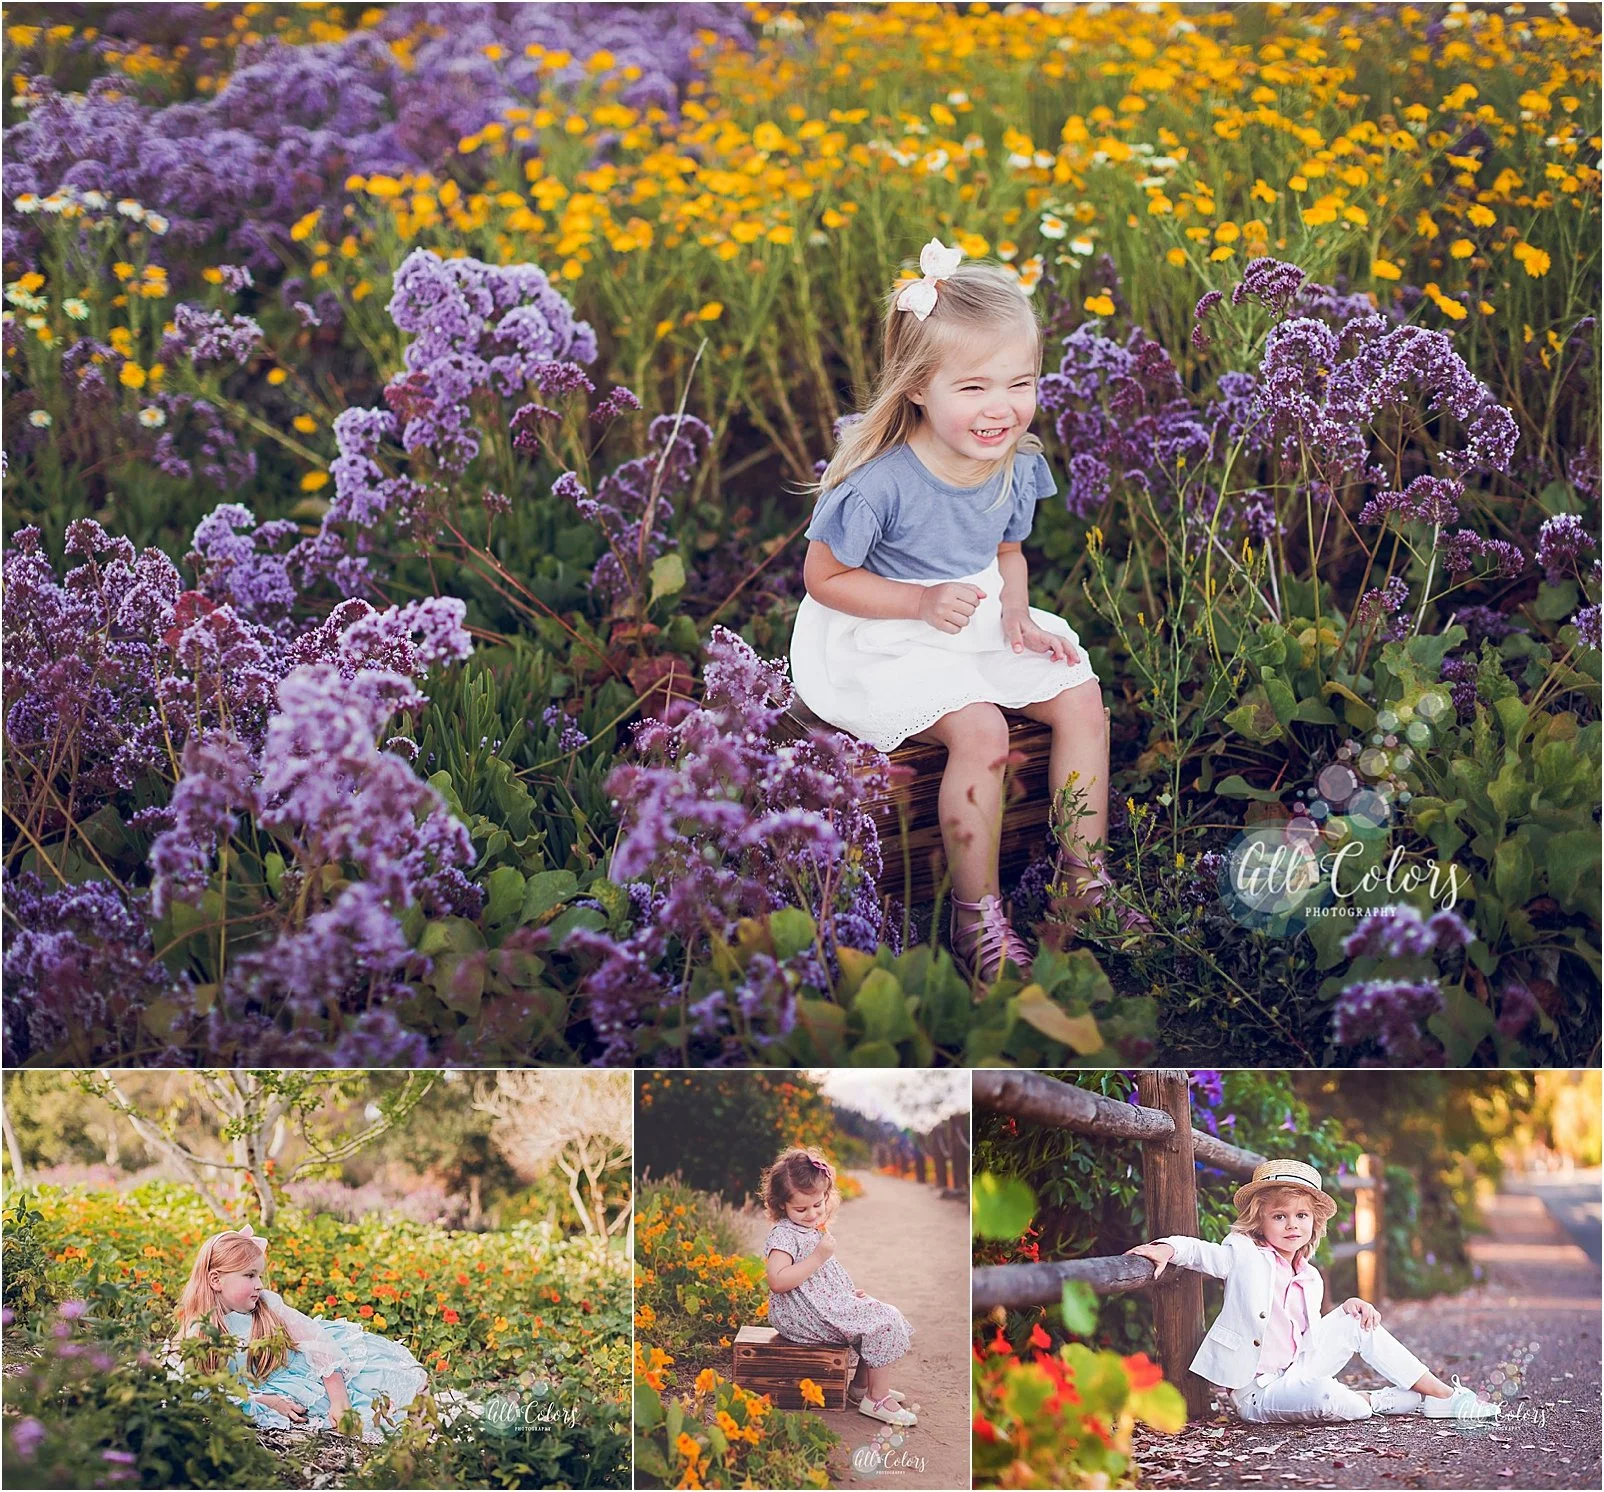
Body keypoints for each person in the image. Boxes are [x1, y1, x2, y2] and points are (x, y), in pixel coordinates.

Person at [789, 236, 1140, 986]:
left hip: (975, 610)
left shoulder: (1014, 461)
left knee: (1080, 692)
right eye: (974, 388)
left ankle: (1084, 878)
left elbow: (1008, 553)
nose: (1003, 408)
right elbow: (824, 577)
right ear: (918, 386)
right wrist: (916, 600)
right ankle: (976, 915)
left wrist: (1018, 614)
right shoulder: (879, 484)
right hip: (884, 628)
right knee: (978, 729)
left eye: (1021, 382)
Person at [1124, 1160, 1501, 1424]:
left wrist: (1347, 1309)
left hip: (1298, 1370)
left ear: (1313, 1222)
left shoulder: (1311, 1276)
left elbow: (1311, 1339)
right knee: (1326, 1396)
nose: (1292, 1225)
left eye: (1301, 1216)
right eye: (1280, 1216)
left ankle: (1442, 1396)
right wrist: (1167, 1247)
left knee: (1358, 1320)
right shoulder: (1243, 1254)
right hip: (1258, 1392)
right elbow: (1203, 1253)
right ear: (1260, 1220)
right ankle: (1379, 1400)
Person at [166, 1225, 428, 1443]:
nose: (259, 1284)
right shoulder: (199, 1330)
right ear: (215, 1280)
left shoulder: (268, 1305)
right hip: (281, 1389)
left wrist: (340, 1402)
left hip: (313, 1371)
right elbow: (196, 1389)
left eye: (259, 1275)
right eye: (249, 1275)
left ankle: (420, 1416)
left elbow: (322, 1347)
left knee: (380, 1398)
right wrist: (262, 1400)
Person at [760, 1147, 918, 1427]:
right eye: (801, 1208)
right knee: (883, 1320)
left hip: (818, 1306)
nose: (811, 1214)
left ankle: (861, 1388)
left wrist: (846, 1296)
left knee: (877, 1312)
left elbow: (822, 1280)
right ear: (781, 1204)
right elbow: (777, 1280)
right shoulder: (784, 1235)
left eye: (818, 1205)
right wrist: (818, 1256)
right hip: (798, 1315)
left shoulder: (811, 1228)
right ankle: (876, 1398)